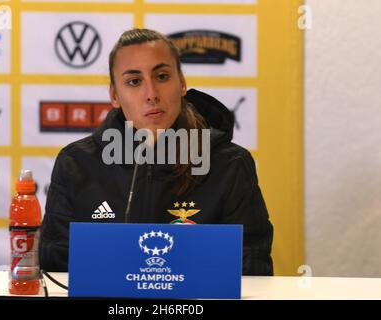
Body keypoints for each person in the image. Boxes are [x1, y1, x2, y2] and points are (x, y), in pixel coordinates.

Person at [39, 28, 274, 276]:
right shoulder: (76, 164)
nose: (151, 94)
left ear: (182, 83)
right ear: (115, 95)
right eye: (134, 81)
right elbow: (56, 271)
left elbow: (252, 271)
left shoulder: (231, 165)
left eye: (162, 76)